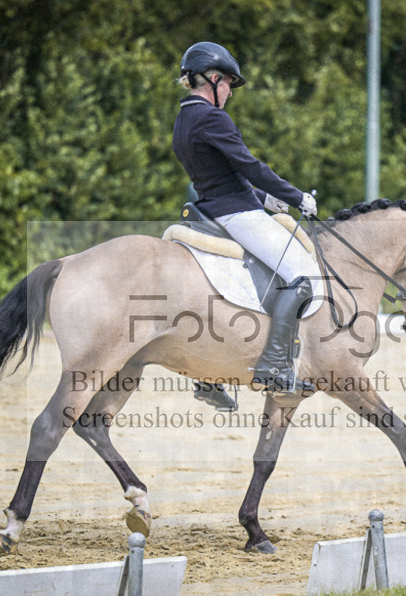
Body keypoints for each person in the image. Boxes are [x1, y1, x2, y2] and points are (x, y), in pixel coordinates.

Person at [173, 41, 318, 396]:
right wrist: (295, 196)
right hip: (236, 214)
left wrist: (267, 200)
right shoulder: (211, 117)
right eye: (228, 85)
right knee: (301, 278)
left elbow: (220, 177)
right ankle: (274, 366)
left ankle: (211, 374)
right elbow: (249, 166)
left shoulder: (184, 119)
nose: (230, 94)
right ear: (212, 78)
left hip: (215, 208)